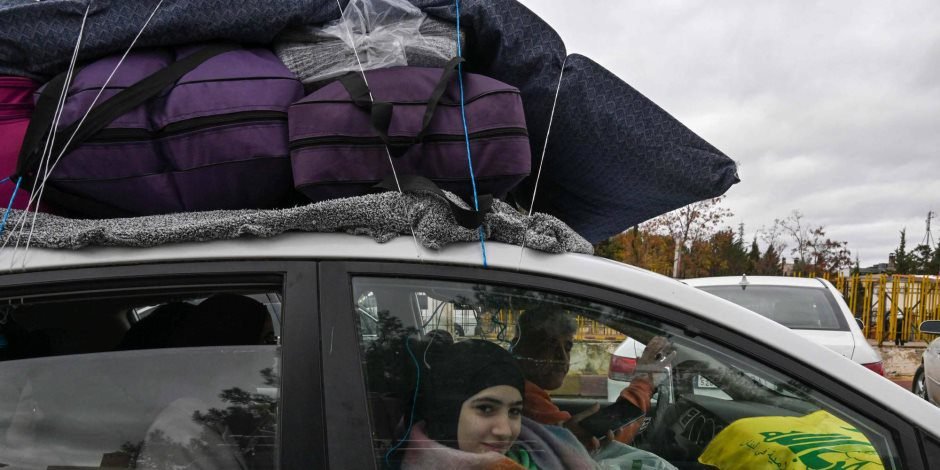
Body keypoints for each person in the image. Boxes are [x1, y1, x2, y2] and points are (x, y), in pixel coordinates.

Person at [510, 306, 673, 450]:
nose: (562, 358)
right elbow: (605, 438)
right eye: (550, 346)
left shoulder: (524, 390)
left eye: (567, 347)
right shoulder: (525, 397)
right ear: (519, 347)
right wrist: (644, 382)